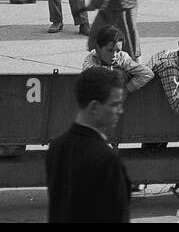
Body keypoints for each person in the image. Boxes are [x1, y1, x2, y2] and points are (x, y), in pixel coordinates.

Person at [46, 69, 131, 223]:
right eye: (115, 104)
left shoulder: (56, 148)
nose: (120, 110)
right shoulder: (107, 160)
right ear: (94, 107)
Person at [81, 24, 154, 102]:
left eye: (118, 51)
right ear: (98, 49)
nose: (114, 55)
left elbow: (147, 73)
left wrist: (127, 89)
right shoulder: (91, 61)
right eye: (110, 51)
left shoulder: (122, 57)